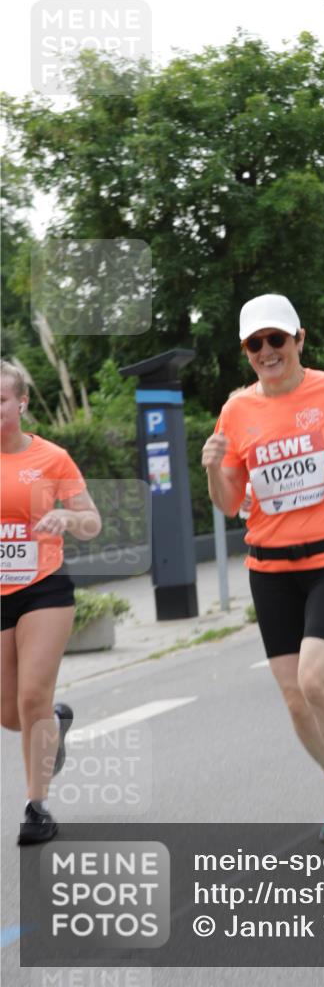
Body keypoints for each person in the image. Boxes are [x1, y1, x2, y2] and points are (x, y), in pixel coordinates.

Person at [201, 294, 324, 850]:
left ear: (298, 340)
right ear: (247, 352)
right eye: (255, 344)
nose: (267, 351)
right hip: (270, 565)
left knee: (316, 678)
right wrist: (215, 469)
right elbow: (228, 499)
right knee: (293, 696)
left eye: (276, 340)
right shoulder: (236, 411)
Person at [1, 360, 101, 845]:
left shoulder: (52, 458)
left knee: (32, 696)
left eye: (1, 400)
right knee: (9, 715)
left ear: (20, 403)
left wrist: (66, 517)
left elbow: (92, 522)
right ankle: (55, 728)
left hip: (44, 587)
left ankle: (36, 808)